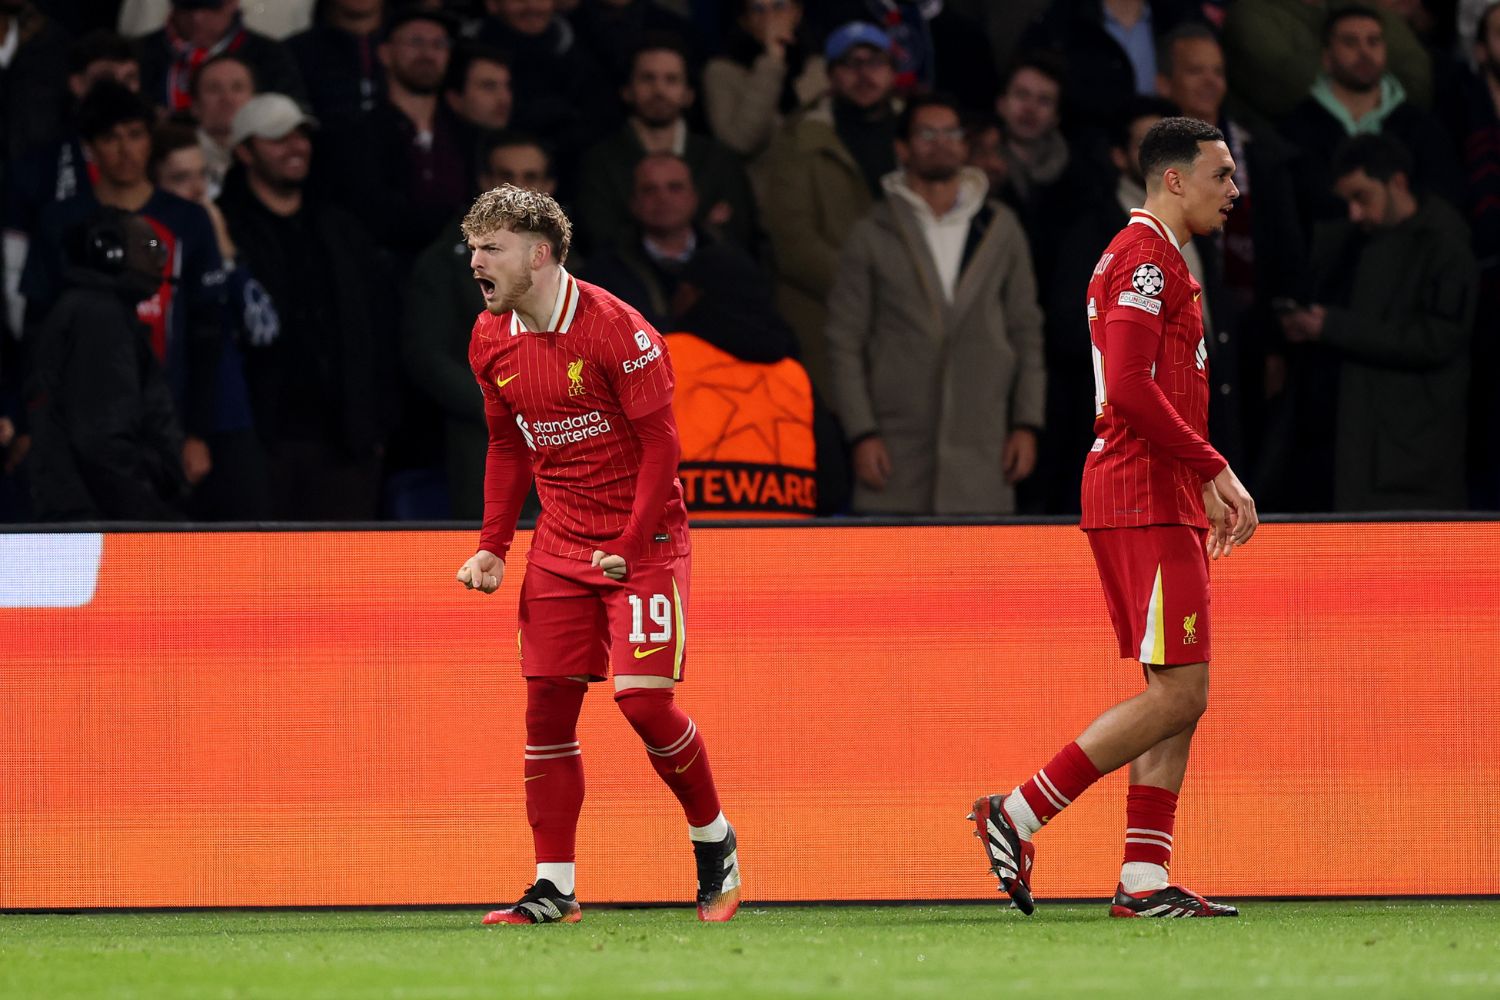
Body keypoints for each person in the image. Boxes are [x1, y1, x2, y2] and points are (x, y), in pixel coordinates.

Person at [971, 117, 1258, 919]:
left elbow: (1151, 386)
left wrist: (1197, 482)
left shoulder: (1160, 258)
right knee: (1180, 693)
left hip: (1158, 495)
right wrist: (1214, 467)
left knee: (1177, 689)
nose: (1233, 192)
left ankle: (1143, 878)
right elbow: (1130, 388)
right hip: (1141, 495)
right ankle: (1019, 812)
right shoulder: (1143, 258)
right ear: (1174, 179)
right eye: (1221, 175)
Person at [455, 184, 741, 925]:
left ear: (540, 253)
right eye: (473, 247)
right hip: (558, 546)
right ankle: (553, 887)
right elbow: (505, 444)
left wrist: (628, 541)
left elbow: (662, 447)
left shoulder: (621, 332)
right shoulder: (489, 338)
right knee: (546, 714)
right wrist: (493, 547)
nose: (476, 262)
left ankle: (715, 843)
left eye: (492, 248)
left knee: (643, 703)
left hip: (642, 542)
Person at [825, 93, 1045, 516]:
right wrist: (861, 432)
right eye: (927, 133)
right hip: (895, 447)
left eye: (951, 133)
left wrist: (1026, 423)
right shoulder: (871, 232)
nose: (941, 142)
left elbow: (1026, 330)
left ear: (965, 145)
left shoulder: (999, 227)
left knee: (980, 576)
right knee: (895, 575)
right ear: (902, 148)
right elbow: (844, 341)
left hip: (983, 444)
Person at [217, 92, 396, 519]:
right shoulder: (224, 228)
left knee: (341, 577)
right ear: (244, 151)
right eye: (278, 138)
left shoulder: (339, 227)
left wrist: (378, 423)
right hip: (261, 439)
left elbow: (379, 326)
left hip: (344, 439)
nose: (295, 147)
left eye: (300, 135)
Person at [1278, 135, 1475, 512]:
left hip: (1408, 461)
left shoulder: (1444, 245)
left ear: (1397, 182)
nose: (1354, 213)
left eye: (1362, 197)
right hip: (1345, 450)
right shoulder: (1348, 242)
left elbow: (1438, 338)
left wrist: (1332, 327)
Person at [402, 131, 557, 519]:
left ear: (549, 188)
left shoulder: (570, 262)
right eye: (507, 177)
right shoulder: (445, 264)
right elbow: (427, 357)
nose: (520, 190)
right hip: (486, 445)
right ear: (485, 183)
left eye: (532, 178)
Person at [758, 21, 897, 397]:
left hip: (911, 330)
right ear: (831, 75)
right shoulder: (800, 137)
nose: (864, 73)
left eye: (875, 61)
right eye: (850, 63)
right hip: (827, 319)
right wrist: (876, 290)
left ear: (892, 71)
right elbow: (794, 242)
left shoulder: (917, 132)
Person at [25, 208, 187, 520]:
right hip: (100, 520)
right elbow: (101, 440)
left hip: (92, 514)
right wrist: (152, 515)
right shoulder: (99, 317)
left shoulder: (92, 310)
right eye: (150, 247)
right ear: (109, 251)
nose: (160, 259)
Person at [1279, 5, 1461, 231]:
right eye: (1350, 42)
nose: (1364, 52)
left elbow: (1443, 197)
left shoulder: (1419, 124)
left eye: (1373, 41)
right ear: (1327, 56)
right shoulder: (1298, 126)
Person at [574, 33, 757, 255]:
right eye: (647, 78)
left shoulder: (719, 161)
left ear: (688, 94)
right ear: (627, 91)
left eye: (671, 80)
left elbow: (739, 238)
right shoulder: (600, 163)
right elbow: (600, 240)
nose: (659, 91)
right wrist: (701, 226)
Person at [701, 0, 827, 161]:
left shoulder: (820, 68)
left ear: (797, 13)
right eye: (757, 9)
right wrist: (772, 61)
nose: (769, 17)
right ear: (744, 21)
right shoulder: (721, 72)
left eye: (779, 6)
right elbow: (741, 143)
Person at [138, 0, 305, 114]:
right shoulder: (141, 51)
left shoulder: (269, 55)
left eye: (210, 6)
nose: (197, 18)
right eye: (187, 6)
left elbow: (288, 115)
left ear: (233, 3)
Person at [188, 52, 256, 199]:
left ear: (255, 100)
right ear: (195, 106)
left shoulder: (270, 155)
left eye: (237, 88)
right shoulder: (179, 157)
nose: (227, 98)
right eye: (214, 89)